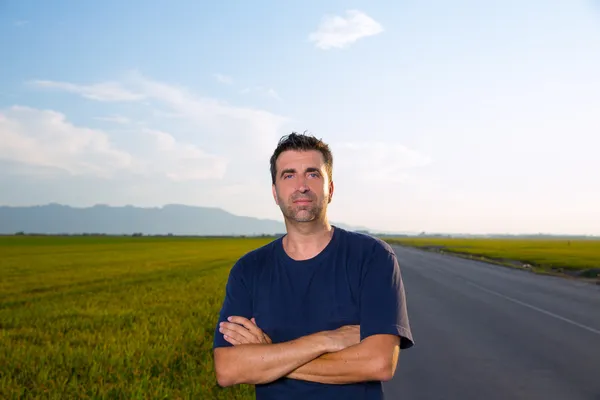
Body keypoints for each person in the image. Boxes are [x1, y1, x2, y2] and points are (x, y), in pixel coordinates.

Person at [212, 132, 414, 399]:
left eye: (312, 174)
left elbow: (378, 363)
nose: (301, 186)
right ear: (275, 192)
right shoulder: (249, 270)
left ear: (330, 189)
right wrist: (326, 341)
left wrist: (269, 355)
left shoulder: (372, 257)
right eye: (288, 175)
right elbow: (228, 369)